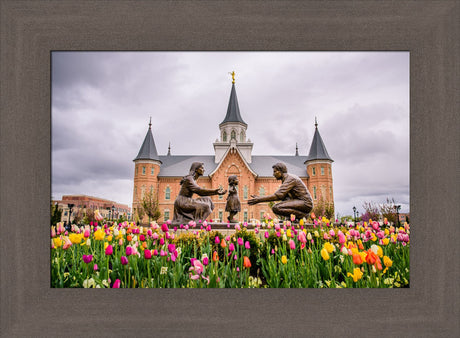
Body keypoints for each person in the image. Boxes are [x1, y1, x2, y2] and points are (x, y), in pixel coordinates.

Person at [248, 162, 313, 221]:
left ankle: (302, 215)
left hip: (306, 203)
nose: (273, 174)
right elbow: (283, 197)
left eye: (275, 171)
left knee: (276, 208)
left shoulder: (290, 179)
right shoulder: (286, 179)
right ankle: (290, 218)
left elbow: (278, 195)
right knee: (285, 198)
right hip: (299, 201)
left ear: (280, 171)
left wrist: (259, 199)